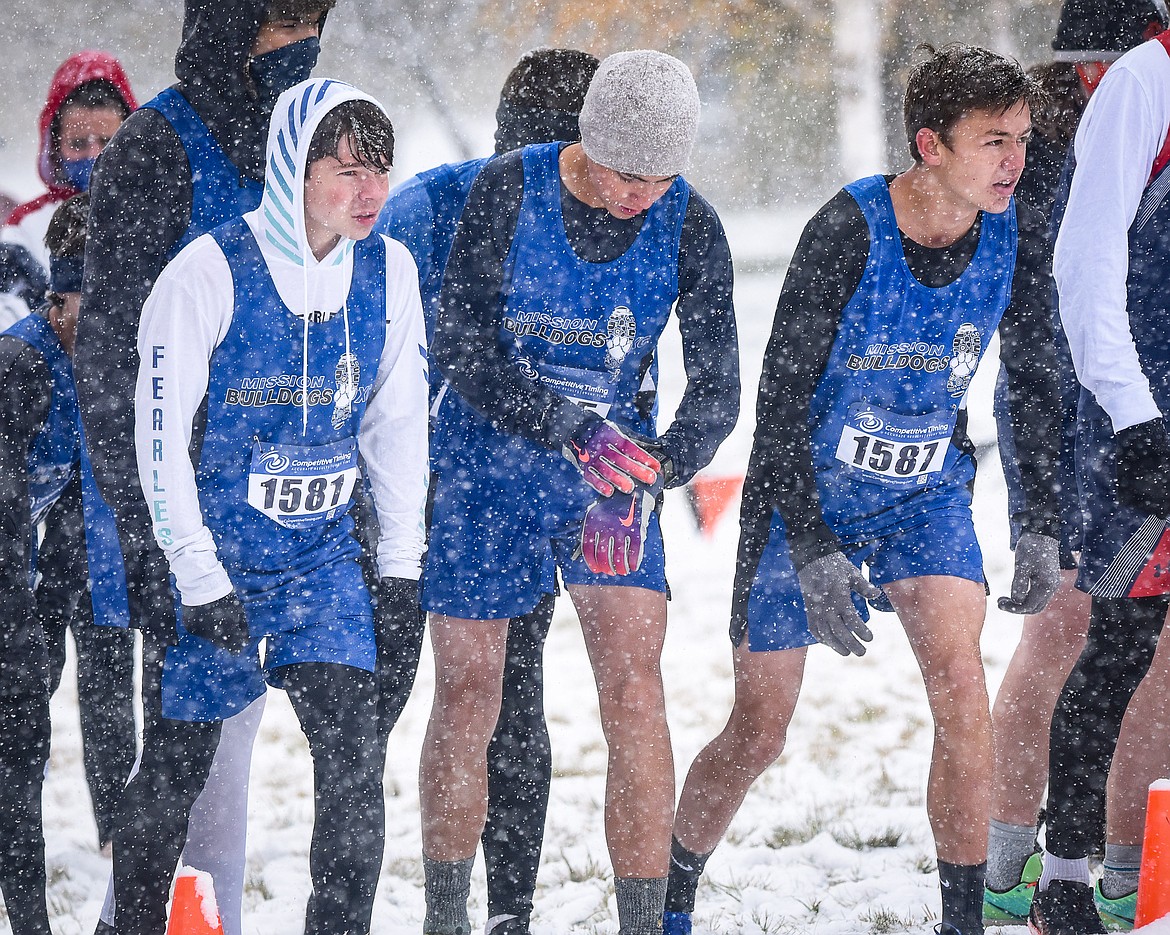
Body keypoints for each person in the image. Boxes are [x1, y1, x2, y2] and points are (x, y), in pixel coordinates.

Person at [661, 44, 1062, 935]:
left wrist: (1038, 523)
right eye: (993, 142)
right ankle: (669, 896)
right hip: (806, 494)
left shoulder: (1014, 232)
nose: (1015, 162)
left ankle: (961, 920)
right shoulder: (848, 229)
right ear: (930, 145)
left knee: (962, 684)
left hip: (925, 500)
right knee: (759, 729)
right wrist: (808, 547)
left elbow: (1031, 385)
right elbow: (780, 404)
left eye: (1023, 140)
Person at [419, 50, 739, 935]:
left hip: (608, 485)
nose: (641, 196)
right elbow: (464, 346)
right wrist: (566, 424)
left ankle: (641, 921)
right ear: (586, 140)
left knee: (634, 689)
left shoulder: (689, 225)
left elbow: (717, 388)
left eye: (660, 178)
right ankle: (447, 915)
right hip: (487, 468)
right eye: (625, 173)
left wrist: (658, 468)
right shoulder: (506, 192)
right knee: (470, 689)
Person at [124, 77, 426, 935]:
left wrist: (400, 576)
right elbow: (156, 436)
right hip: (218, 563)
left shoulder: (389, 271)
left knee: (355, 766)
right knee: (176, 767)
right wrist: (194, 573)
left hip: (322, 566)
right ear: (293, 165)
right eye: (346, 170)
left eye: (382, 170)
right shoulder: (208, 271)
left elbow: (398, 429)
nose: (370, 192)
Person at [74, 4, 337, 934]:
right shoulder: (157, 146)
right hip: (182, 507)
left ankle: (168, 916)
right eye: (280, 27)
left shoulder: (313, 136)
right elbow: (109, 356)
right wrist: (146, 522)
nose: (299, 48)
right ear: (229, 28)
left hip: (291, 505)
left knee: (237, 745)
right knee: (193, 752)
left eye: (314, 24)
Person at [374, 46, 599, 935]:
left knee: (508, 690)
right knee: (378, 697)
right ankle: (364, 898)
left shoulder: (609, 209)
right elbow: (352, 334)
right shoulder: (427, 208)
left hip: (511, 485)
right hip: (398, 489)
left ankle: (503, 914)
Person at [982, 2, 1170, 929]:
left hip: (1131, 401)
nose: (1097, 80)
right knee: (1059, 626)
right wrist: (1037, 510)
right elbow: (1031, 325)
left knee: (1151, 651)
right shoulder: (1041, 148)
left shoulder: (1137, 113)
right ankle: (1008, 854)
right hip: (1057, 411)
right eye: (1084, 67)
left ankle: (1130, 867)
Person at [0, 195, 129, 935]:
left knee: (24, 745)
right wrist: (26, 639)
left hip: (24, 556)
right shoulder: (21, 367)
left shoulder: (104, 361)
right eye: (96, 305)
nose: (114, 323)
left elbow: (75, 525)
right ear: (57, 300)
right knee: (16, 745)